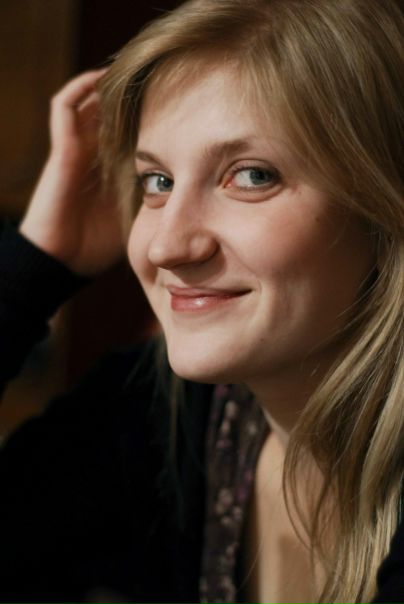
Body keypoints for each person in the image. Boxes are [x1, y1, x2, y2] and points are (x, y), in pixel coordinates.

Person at [0, 0, 403, 602]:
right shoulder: (175, 417)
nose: (166, 245)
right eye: (157, 181)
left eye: (253, 175)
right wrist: (35, 265)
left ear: (383, 208)